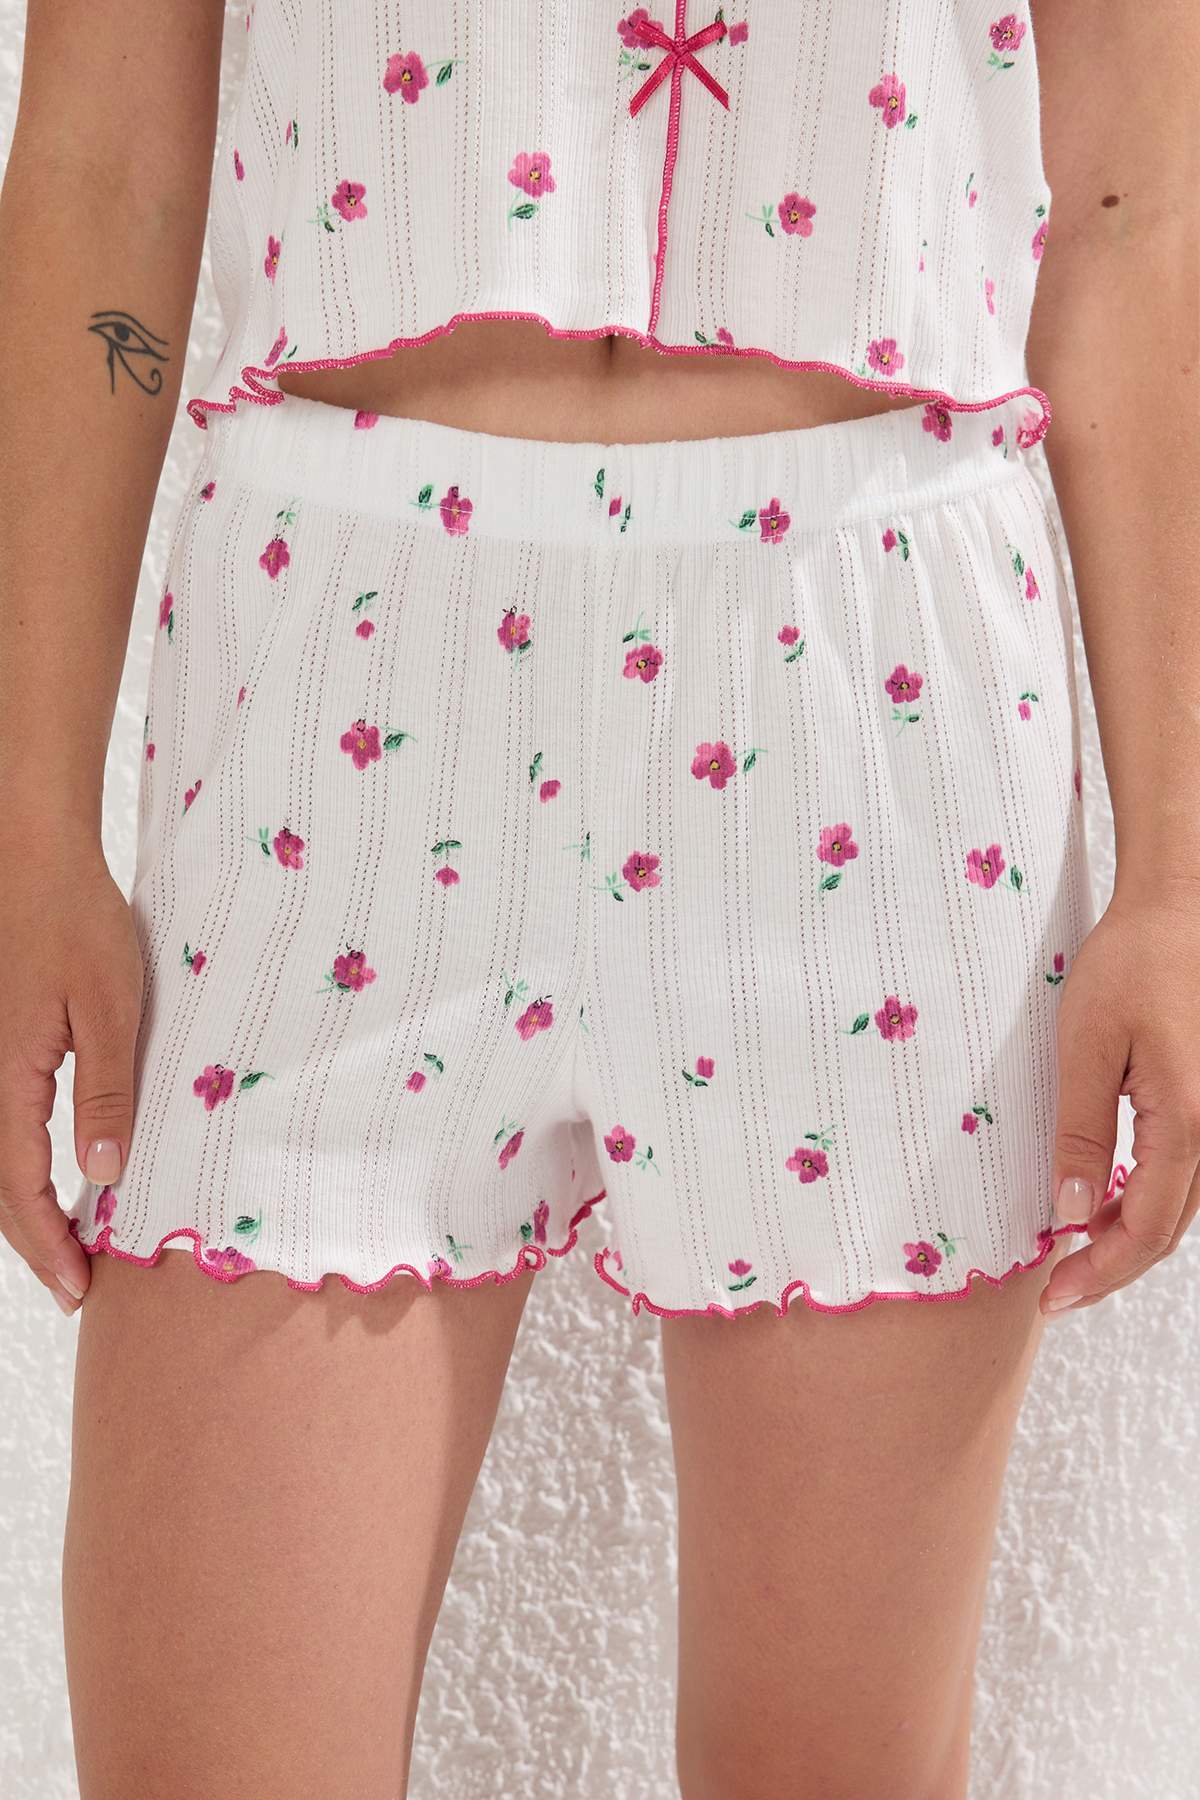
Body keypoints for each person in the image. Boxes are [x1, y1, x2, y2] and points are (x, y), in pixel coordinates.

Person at [0, 2, 1193, 1795]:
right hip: (333, 676)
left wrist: (1181, 873)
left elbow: (1134, 208)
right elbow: (102, 165)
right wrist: (27, 827)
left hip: (870, 684)